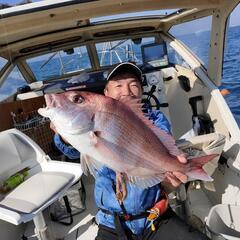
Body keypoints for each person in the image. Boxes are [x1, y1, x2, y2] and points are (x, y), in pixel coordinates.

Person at [52, 62, 209, 240]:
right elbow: (73, 152)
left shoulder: (155, 119)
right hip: (110, 222)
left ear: (141, 91)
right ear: (106, 93)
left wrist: (174, 170)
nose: (126, 91)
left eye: (133, 85)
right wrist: (65, 135)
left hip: (154, 216)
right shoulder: (93, 120)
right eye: (118, 85)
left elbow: (163, 148)